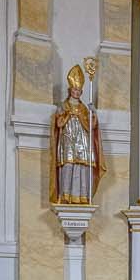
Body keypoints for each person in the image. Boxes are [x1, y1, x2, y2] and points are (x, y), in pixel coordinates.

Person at [52, 64, 97, 206]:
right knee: (68, 164)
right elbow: (59, 123)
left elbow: (91, 126)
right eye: (74, 89)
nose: (76, 92)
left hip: (82, 140)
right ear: (70, 90)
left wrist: (93, 113)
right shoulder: (63, 105)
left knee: (81, 166)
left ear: (81, 92)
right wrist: (66, 114)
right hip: (68, 138)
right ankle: (65, 195)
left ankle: (81, 196)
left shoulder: (84, 108)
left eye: (79, 90)